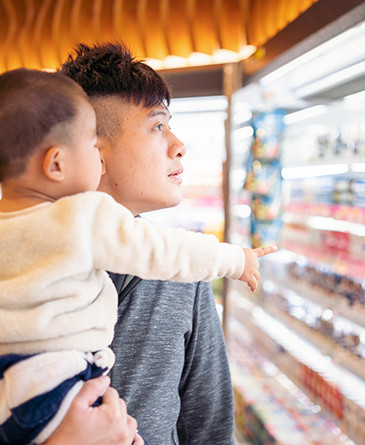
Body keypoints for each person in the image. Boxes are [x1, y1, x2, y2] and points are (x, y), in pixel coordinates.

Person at [0, 68, 275, 445]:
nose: (179, 145)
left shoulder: (181, 279)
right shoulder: (172, 257)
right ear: (93, 148)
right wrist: (236, 259)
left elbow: (208, 428)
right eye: (157, 126)